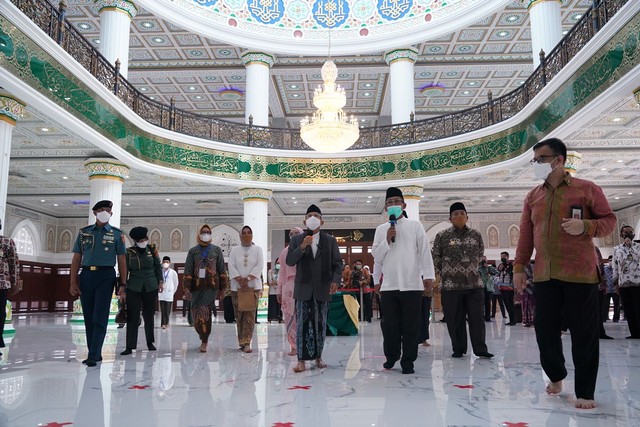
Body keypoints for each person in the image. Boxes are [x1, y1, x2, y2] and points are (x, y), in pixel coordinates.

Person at [514, 137, 616, 409]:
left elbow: (609, 222)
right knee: (544, 331)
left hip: (580, 274)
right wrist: (519, 268)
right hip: (545, 274)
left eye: (541, 159)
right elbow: (526, 236)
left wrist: (586, 227)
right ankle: (556, 375)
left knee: (584, 334)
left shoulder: (587, 190)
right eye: (534, 160)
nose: (536, 165)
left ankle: (584, 392)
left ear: (559, 160)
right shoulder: (533, 196)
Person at [372, 187, 435, 374]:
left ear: (404, 205)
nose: (393, 205)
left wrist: (429, 276)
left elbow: (424, 252)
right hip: (389, 286)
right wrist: (376, 280)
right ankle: (391, 357)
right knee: (389, 326)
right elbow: (377, 256)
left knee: (411, 326)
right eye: (389, 202)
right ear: (385, 207)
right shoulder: (381, 229)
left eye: (396, 202)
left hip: (412, 285)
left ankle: (408, 361)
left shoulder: (415, 226)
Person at [433, 202, 493, 359]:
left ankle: (480, 349)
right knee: (454, 320)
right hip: (451, 285)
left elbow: (481, 252)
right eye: (455, 214)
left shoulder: (476, 234)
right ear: (450, 218)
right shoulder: (442, 236)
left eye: (461, 213)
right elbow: (436, 256)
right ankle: (458, 348)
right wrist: (446, 271)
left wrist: (470, 267)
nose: (459, 216)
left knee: (477, 319)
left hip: (474, 284)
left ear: (467, 217)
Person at [70, 200, 127, 366]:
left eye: (107, 209)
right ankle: (93, 351)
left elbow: (122, 259)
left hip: (106, 276)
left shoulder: (117, 234)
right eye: (101, 209)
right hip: (87, 275)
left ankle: (94, 354)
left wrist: (123, 283)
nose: (104, 212)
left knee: (99, 316)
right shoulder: (84, 233)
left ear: (111, 213)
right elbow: (76, 258)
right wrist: (73, 281)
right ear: (94, 213)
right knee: (88, 316)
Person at [286, 204, 342, 372]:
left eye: (316, 215)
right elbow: (289, 261)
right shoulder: (296, 240)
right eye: (310, 215)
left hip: (323, 288)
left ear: (322, 221)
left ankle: (319, 357)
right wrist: (303, 246)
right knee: (303, 324)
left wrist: (336, 280)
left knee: (320, 324)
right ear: (304, 220)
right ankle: (301, 360)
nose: (313, 217)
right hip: (303, 289)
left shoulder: (330, 240)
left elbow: (337, 264)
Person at [183, 224, 227, 353]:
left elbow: (222, 269)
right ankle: (201, 335)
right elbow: (188, 270)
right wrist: (186, 288)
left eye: (208, 232)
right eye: (203, 232)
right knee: (196, 312)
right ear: (199, 234)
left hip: (211, 287)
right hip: (196, 287)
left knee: (205, 311)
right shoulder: (193, 251)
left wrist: (223, 288)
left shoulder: (216, 250)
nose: (206, 234)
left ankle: (205, 341)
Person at [120, 227, 163, 355]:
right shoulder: (129, 252)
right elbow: (124, 270)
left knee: (149, 315)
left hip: (151, 286)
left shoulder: (152, 249)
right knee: (133, 316)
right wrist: (122, 287)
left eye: (145, 239)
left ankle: (150, 343)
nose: (143, 241)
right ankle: (130, 346)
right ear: (135, 240)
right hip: (134, 286)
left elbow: (157, 266)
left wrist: (160, 282)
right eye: (140, 240)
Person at [228, 225, 264, 353]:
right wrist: (239, 279)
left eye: (249, 232)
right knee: (239, 315)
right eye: (244, 233)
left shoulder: (258, 249)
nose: (247, 234)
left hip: (252, 287)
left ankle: (247, 342)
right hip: (237, 288)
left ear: (252, 235)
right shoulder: (234, 250)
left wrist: (247, 279)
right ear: (240, 235)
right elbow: (231, 265)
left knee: (249, 315)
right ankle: (241, 341)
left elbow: (259, 266)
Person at [276, 227, 303, 356]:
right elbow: (281, 273)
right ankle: (293, 346)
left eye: (297, 233)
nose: (294, 236)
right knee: (289, 317)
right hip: (288, 289)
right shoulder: (284, 252)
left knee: (302, 317)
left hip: (303, 287)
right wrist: (279, 290)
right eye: (291, 234)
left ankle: (303, 345)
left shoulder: (307, 250)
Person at [612, 226, 640, 339]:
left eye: (630, 232)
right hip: (623, 283)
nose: (628, 233)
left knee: (638, 308)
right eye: (625, 232)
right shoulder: (617, 248)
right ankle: (634, 333)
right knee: (628, 309)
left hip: (637, 282)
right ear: (621, 234)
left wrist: (630, 246)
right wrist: (615, 282)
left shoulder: (638, 247)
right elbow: (615, 266)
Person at [0, 219, 19, 353]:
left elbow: (14, 263)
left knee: (0, 313)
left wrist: (14, 282)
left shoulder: (6, 242)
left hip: (1, 284)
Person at [159, 256, 179, 329]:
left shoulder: (173, 272)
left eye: (167, 262)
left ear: (169, 263)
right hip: (161, 293)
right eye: (164, 262)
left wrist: (172, 292)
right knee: (163, 309)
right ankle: (163, 323)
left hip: (170, 293)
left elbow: (176, 283)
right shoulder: (160, 272)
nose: (165, 263)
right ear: (162, 263)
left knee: (167, 310)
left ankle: (165, 323)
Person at [498, 251, 516, 325]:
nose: (502, 258)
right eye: (501, 257)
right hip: (502, 287)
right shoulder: (501, 265)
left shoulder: (512, 264)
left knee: (510, 304)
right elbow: (499, 270)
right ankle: (511, 320)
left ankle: (513, 320)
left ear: (507, 257)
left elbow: (512, 272)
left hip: (509, 287)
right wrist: (502, 265)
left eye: (503, 257)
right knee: (506, 304)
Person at [478, 256, 498, 322]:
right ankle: (481, 317)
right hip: (480, 287)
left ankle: (487, 317)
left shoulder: (490, 267)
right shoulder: (478, 268)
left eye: (485, 259)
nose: (483, 260)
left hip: (489, 288)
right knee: (480, 303)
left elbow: (497, 273)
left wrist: (488, 268)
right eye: (482, 259)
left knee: (488, 303)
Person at [602, 255, 620, 322]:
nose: (611, 262)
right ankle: (604, 318)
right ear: (608, 261)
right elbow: (603, 277)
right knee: (605, 305)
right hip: (607, 289)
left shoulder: (617, 269)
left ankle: (616, 318)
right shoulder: (605, 269)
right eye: (610, 260)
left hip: (615, 290)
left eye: (612, 260)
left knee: (616, 305)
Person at [267, 258, 282, 323]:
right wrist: (277, 282)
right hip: (272, 291)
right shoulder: (271, 271)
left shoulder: (283, 272)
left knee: (280, 305)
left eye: (280, 263)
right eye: (277, 263)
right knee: (272, 305)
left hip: (280, 291)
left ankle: (280, 318)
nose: (278, 265)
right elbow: (270, 282)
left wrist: (276, 282)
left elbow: (283, 282)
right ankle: (271, 318)